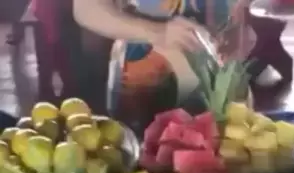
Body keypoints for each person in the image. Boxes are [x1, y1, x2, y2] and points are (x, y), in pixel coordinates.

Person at [73, 0, 255, 128]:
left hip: (226, 85)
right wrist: (158, 32)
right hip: (146, 88)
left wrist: (241, 24)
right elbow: (87, 9)